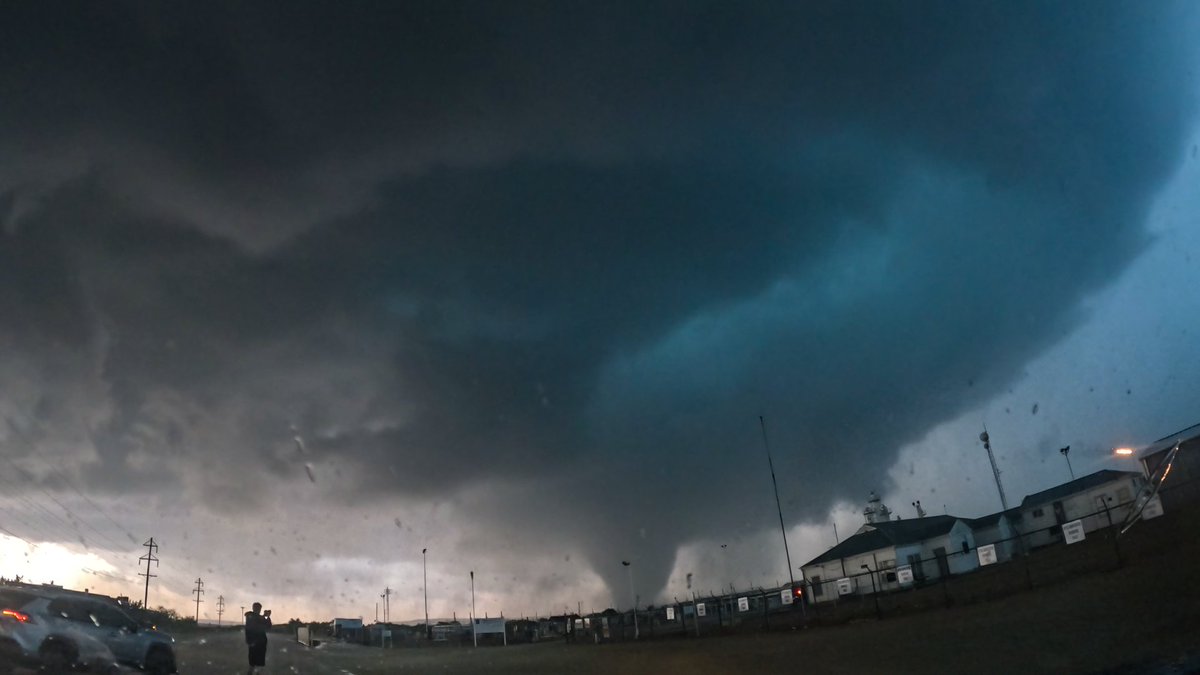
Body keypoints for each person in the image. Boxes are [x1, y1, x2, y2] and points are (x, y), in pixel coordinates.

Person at [244, 602, 272, 674]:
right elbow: (254, 622)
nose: (258, 610)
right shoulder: (249, 615)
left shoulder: (260, 618)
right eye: (256, 608)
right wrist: (264, 616)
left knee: (259, 662)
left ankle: (256, 673)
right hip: (253, 642)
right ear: (253, 608)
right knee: (252, 662)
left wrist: (267, 617)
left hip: (261, 642)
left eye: (259, 608)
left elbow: (268, 627)